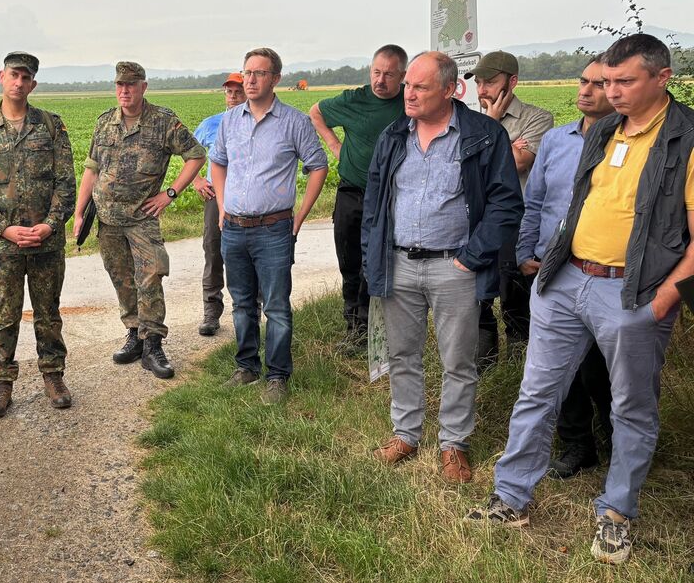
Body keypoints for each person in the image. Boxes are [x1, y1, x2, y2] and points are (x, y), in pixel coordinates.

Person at [466, 34, 694, 565]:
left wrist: (664, 299)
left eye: (624, 81)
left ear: (662, 78)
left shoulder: (685, 139)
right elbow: (571, 201)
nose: (611, 92)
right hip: (566, 282)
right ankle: (511, 497)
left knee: (631, 406)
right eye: (606, 81)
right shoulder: (605, 129)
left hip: (633, 292)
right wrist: (549, 263)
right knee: (536, 392)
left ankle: (616, 514)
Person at [361, 51, 521, 484]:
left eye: (419, 87)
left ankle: (454, 444)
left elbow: (507, 203)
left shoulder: (483, 135)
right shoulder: (394, 135)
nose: (408, 94)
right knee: (402, 354)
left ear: (450, 90)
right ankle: (406, 435)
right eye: (408, 85)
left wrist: (472, 257)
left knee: (458, 361)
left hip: (455, 267)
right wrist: (373, 257)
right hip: (399, 263)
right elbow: (374, 203)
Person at [209, 48, 329, 405]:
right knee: (242, 302)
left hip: (274, 229)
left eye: (259, 73)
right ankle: (246, 366)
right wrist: (221, 205)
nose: (249, 80)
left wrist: (299, 216)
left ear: (275, 78)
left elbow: (318, 166)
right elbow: (217, 162)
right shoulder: (231, 120)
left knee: (276, 305)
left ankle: (277, 375)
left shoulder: (294, 122)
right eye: (247, 73)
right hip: (233, 227)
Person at [515, 57, 615, 479]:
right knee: (559, 372)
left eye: (598, 84)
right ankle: (577, 446)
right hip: (551, 268)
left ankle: (619, 446)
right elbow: (535, 199)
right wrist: (524, 251)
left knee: (605, 370)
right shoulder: (557, 140)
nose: (586, 90)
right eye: (582, 81)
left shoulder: (628, 144)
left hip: (603, 274)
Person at [0, 52, 76, 418]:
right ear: (1, 76)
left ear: (33, 84)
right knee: (4, 315)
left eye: (26, 77)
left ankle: (53, 377)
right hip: (3, 245)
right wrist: (4, 228)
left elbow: (66, 183)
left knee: (48, 313)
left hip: (46, 242)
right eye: (14, 75)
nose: (19, 83)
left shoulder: (51, 126)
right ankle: (1, 384)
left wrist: (51, 224)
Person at [73, 61, 205, 379]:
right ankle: (133, 335)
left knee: (150, 277)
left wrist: (169, 194)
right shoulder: (105, 122)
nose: (125, 91)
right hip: (107, 220)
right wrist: (79, 213)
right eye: (120, 85)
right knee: (122, 278)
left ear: (143, 87)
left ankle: (153, 344)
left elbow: (196, 155)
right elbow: (91, 170)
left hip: (142, 218)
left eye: (131, 85)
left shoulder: (163, 121)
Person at [309, 45, 407, 354]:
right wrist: (335, 145)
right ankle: (354, 328)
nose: (380, 80)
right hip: (351, 192)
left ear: (402, 76)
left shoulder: (410, 101)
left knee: (377, 265)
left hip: (391, 198)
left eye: (389, 74)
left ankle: (377, 329)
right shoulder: (355, 99)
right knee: (349, 263)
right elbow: (316, 112)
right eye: (376, 72)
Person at [467, 50, 554, 367]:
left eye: (490, 81)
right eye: (478, 82)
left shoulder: (538, 118)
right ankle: (484, 366)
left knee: (515, 298)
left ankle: (519, 368)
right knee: (477, 297)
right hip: (476, 221)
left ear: (512, 81)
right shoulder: (469, 120)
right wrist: (496, 137)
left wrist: (486, 142)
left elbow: (517, 163)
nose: (482, 90)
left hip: (515, 224)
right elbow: (459, 168)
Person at [191, 72, 246, 336]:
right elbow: (190, 155)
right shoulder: (210, 124)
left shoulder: (253, 122)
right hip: (215, 197)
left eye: (238, 91)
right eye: (229, 91)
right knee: (213, 251)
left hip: (246, 197)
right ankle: (211, 311)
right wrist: (197, 180)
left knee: (246, 253)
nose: (234, 96)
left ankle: (248, 309)